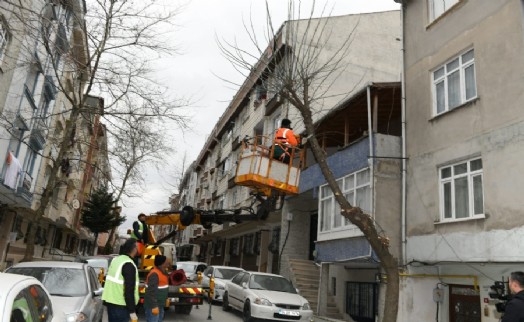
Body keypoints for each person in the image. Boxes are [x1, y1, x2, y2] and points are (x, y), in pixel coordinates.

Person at [102, 238, 140, 322]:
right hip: (121, 306)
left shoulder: (116, 260)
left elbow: (107, 280)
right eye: (137, 247)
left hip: (111, 303)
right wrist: (132, 311)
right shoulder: (128, 264)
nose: (138, 249)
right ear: (133, 249)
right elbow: (129, 290)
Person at [144, 255, 170, 322]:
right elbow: (151, 292)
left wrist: (166, 298)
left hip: (160, 304)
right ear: (162, 263)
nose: (168, 262)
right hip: (153, 305)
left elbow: (163, 287)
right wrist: (154, 306)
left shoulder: (163, 273)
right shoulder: (154, 274)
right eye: (166, 261)